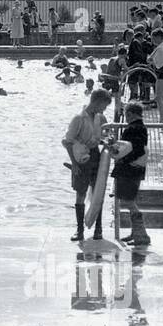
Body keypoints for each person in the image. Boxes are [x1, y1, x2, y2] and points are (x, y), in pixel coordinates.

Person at [63, 88, 111, 242]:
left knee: (98, 192)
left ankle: (98, 228)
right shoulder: (79, 118)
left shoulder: (100, 118)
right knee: (81, 193)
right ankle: (79, 230)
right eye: (104, 105)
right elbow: (67, 141)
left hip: (96, 155)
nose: (104, 109)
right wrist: (74, 163)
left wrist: (108, 140)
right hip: (82, 158)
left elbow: (105, 134)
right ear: (97, 102)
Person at [114, 101, 150, 247]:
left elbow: (136, 149)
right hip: (136, 168)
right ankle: (136, 232)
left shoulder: (133, 128)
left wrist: (124, 159)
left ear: (130, 113)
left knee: (128, 201)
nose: (125, 117)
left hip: (130, 169)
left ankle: (142, 234)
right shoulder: (141, 127)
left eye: (126, 114)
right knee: (129, 200)